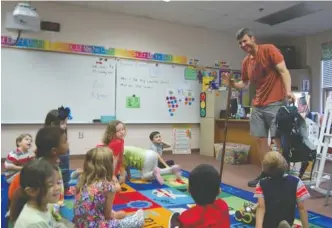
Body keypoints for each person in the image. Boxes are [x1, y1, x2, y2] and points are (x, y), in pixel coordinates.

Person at [222, 28, 295, 187]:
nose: (243, 44)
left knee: (277, 139)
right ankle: (268, 171)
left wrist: (288, 91)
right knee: (259, 140)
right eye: (240, 43)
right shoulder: (246, 62)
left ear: (253, 38)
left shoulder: (269, 50)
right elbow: (245, 83)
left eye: (245, 40)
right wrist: (232, 84)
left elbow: (283, 71)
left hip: (275, 102)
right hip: (257, 105)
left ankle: (283, 172)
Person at [8, 127, 69, 222]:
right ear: (54, 150)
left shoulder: (53, 167)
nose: (68, 144)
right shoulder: (40, 171)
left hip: (49, 213)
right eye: (65, 141)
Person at [74, 147, 144, 228]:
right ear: (108, 165)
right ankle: (136, 219)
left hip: (80, 224)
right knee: (138, 218)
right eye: (113, 159)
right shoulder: (108, 186)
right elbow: (107, 216)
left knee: (105, 208)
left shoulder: (82, 179)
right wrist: (115, 216)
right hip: (98, 225)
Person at [254, 152, 310, 228]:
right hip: (287, 219)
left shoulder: (261, 184)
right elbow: (301, 208)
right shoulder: (296, 182)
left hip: (268, 223)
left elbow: (261, 207)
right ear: (285, 165)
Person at [9, 159, 65, 228]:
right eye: (50, 185)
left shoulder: (43, 205)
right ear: (31, 191)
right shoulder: (34, 223)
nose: (58, 188)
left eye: (58, 182)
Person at [44, 106, 74, 194]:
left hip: (64, 165)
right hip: (54, 167)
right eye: (62, 123)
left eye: (66, 123)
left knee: (65, 174)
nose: (65, 125)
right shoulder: (47, 138)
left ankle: (65, 188)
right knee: (55, 177)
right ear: (53, 124)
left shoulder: (62, 135)